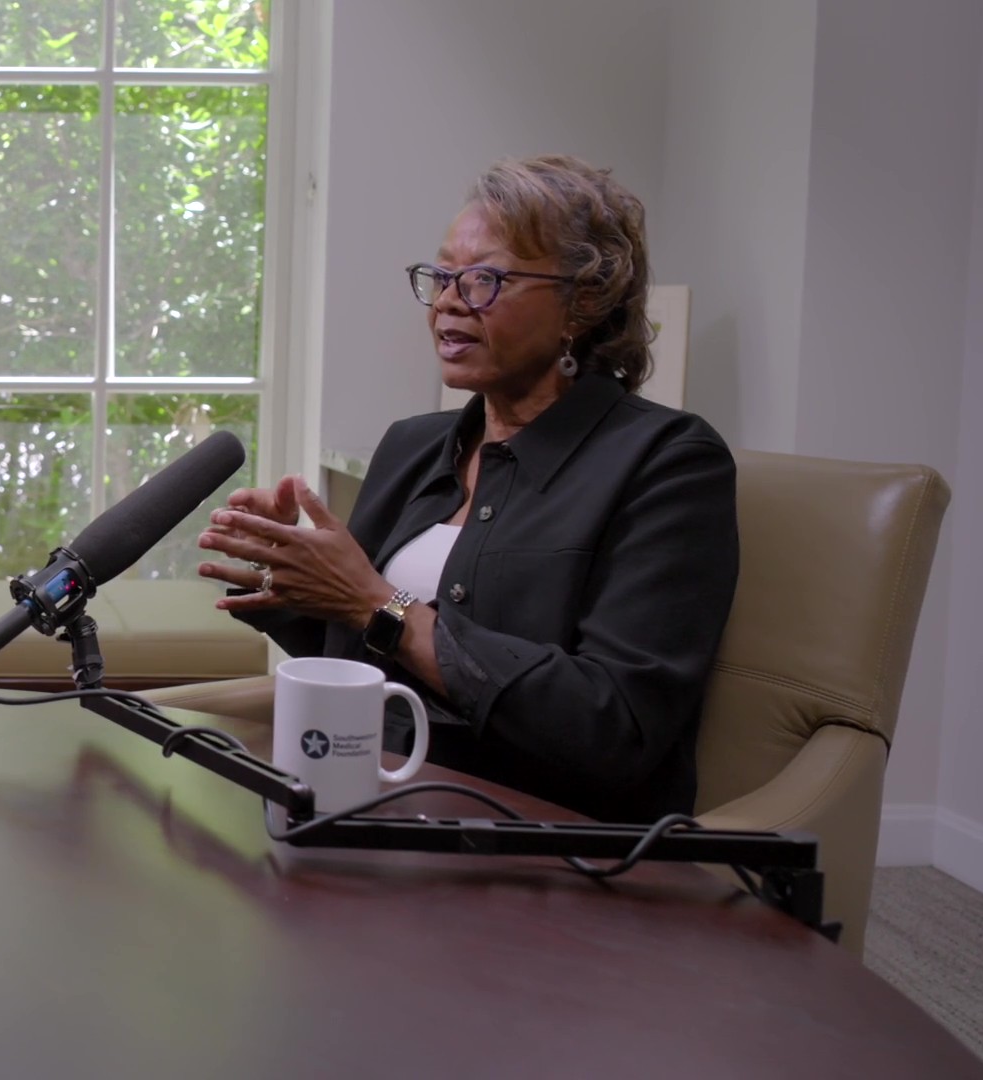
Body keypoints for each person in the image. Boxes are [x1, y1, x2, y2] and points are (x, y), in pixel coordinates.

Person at [197, 155, 738, 823]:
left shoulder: (669, 461)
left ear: (585, 300)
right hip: (369, 799)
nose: (449, 301)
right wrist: (291, 575)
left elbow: (614, 725)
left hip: (543, 842)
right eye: (442, 276)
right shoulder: (412, 445)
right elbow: (367, 651)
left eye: (485, 279)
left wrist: (375, 603)